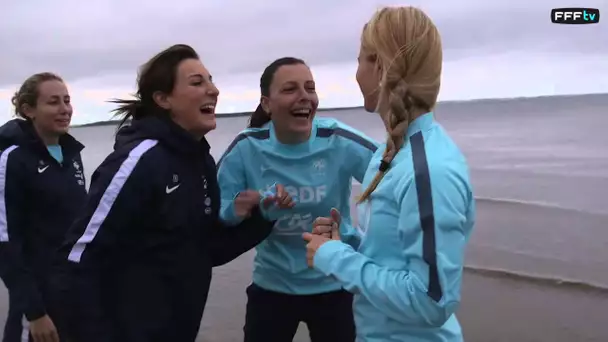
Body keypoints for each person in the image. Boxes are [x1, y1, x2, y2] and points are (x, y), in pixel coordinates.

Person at [54, 44, 290, 342]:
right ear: (163, 99)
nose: (213, 90)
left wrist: (264, 217)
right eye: (197, 82)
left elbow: (204, 250)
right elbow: (77, 259)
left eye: (211, 80)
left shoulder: (200, 160)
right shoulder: (138, 161)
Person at [303, 6, 476, 342]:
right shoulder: (391, 154)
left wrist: (335, 259)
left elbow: (432, 301)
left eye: (359, 60)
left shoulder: (429, 169)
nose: (355, 73)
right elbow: (392, 259)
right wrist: (347, 243)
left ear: (380, 65)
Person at [217, 57, 379, 342]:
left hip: (333, 282)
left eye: (310, 88)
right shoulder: (247, 147)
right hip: (272, 287)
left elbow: (394, 178)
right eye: (290, 89)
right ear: (267, 104)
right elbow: (218, 211)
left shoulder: (336, 139)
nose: (304, 97)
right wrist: (243, 208)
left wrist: (365, 241)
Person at [0, 72, 87, 342]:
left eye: (67, 100)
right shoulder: (12, 161)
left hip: (74, 295)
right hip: (37, 305)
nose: (64, 109)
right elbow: (5, 242)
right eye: (53, 102)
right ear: (29, 110)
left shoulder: (71, 156)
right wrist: (34, 312)